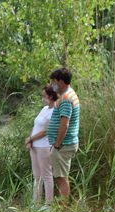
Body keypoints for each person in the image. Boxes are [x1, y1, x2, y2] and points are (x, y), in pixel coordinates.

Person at [46, 67, 81, 202]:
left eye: (54, 81)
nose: (52, 85)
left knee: (60, 178)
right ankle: (62, 206)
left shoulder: (66, 98)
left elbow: (64, 124)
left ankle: (62, 208)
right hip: (64, 144)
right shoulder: (68, 95)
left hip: (63, 145)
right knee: (62, 176)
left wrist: (57, 144)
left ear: (60, 81)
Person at [25, 85, 58, 205]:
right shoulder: (44, 109)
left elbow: (45, 131)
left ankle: (48, 204)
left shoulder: (55, 111)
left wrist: (30, 138)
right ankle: (36, 203)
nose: (42, 98)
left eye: (44, 96)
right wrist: (30, 141)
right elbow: (36, 125)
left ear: (50, 96)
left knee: (46, 175)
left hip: (44, 146)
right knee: (37, 175)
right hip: (34, 146)